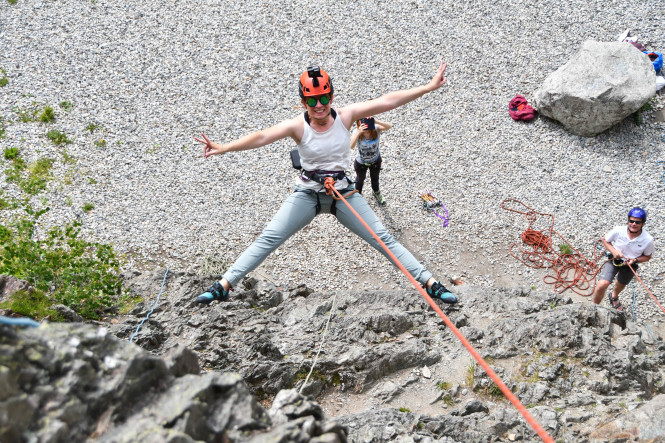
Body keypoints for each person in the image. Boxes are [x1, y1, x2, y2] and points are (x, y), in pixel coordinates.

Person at [194, 63, 458, 305]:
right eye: (312, 101)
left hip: (343, 192)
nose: (319, 106)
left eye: (323, 98)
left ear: (331, 97)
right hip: (308, 194)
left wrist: (427, 87)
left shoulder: (345, 116)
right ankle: (223, 285)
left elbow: (386, 101)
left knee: (383, 239)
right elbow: (262, 136)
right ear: (303, 102)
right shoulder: (297, 127)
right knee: (269, 238)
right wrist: (226, 148)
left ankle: (430, 283)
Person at [591, 207, 654, 311]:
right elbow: (605, 240)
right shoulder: (619, 230)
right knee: (602, 284)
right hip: (613, 260)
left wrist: (635, 260)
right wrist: (614, 252)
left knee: (621, 283)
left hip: (631, 264)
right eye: (631, 221)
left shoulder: (648, 240)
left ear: (643, 224)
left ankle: (614, 296)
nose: (633, 224)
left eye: (637, 222)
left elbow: (648, 257)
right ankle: (593, 307)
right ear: (628, 220)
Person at [351, 116, 392, 205]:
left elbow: (389, 126)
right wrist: (358, 133)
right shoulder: (356, 132)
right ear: (358, 122)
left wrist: (376, 121)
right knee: (359, 180)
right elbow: (351, 146)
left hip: (375, 160)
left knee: (375, 179)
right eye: (361, 121)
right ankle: (357, 197)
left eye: (366, 120)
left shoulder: (376, 129)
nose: (364, 123)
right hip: (361, 162)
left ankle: (376, 192)